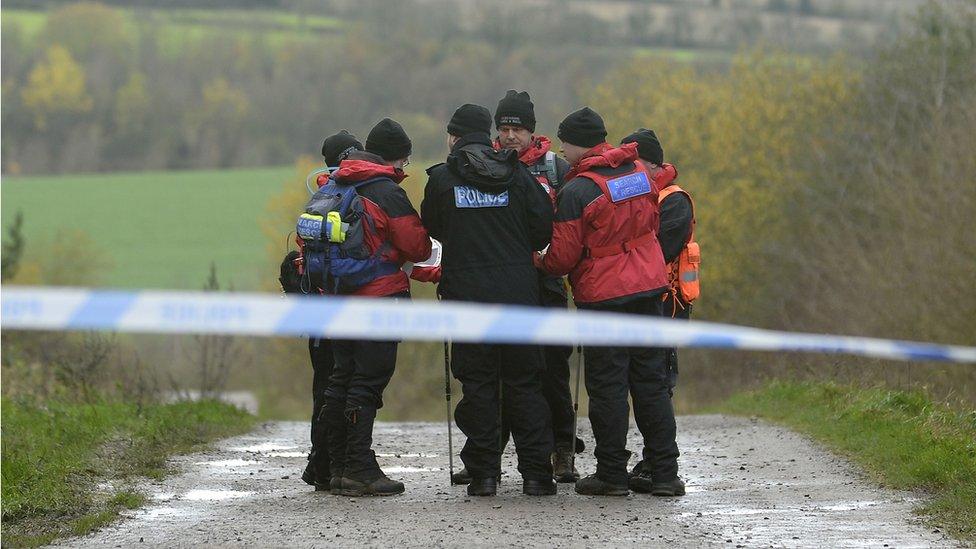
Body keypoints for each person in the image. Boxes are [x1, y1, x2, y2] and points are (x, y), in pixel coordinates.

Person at [536, 107, 684, 497]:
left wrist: (538, 261)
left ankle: (612, 475)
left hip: (605, 297)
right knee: (651, 384)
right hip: (650, 288)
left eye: (564, 143)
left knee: (608, 387)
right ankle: (665, 474)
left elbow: (563, 258)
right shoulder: (637, 171)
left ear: (575, 143)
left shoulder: (578, 190)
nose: (563, 152)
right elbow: (652, 221)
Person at [421, 104, 556, 497]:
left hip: (467, 300)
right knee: (525, 384)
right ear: (490, 134)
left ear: (453, 137)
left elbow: (433, 229)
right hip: (518, 297)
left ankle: (483, 476)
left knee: (478, 386)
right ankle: (536, 475)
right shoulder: (518, 175)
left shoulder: (443, 180)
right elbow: (542, 228)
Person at [320, 118, 433, 497]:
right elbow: (417, 247)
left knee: (341, 380)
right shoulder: (385, 191)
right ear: (398, 159)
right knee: (366, 384)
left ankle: (336, 467)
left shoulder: (337, 182)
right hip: (378, 299)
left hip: (336, 299)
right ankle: (359, 467)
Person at [492, 89, 581, 483]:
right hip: (504, 285)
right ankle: (488, 454)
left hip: (546, 282)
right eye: (505, 127)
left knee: (552, 371)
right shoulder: (486, 164)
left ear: (532, 131)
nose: (511, 135)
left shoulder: (557, 168)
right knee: (500, 373)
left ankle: (563, 451)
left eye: (518, 128)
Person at [283, 129, 366, 492]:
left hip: (318, 311)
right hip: (343, 306)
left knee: (326, 388)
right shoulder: (353, 197)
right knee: (342, 387)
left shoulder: (316, 199)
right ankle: (330, 464)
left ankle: (322, 463)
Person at [621, 128, 696, 494]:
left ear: (652, 162)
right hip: (644, 299)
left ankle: (660, 460)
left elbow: (659, 250)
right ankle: (653, 458)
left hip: (668, 303)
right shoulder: (640, 194)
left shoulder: (673, 200)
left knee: (658, 384)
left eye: (636, 163)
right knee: (644, 383)